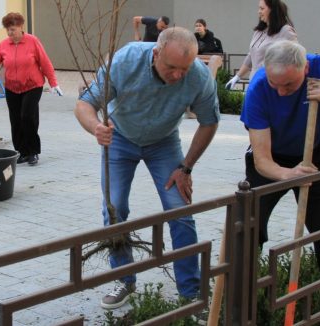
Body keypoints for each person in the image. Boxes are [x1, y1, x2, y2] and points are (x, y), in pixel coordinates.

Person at [75, 27, 220, 309]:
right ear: (156, 54)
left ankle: (191, 293)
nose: (178, 75)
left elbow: (209, 121)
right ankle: (124, 279)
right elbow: (84, 104)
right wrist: (96, 128)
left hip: (164, 143)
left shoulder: (199, 76)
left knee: (180, 211)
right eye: (171, 67)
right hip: (119, 139)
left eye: (184, 69)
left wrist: (186, 167)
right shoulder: (125, 61)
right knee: (114, 208)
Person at [240, 40, 320, 303]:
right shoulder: (259, 88)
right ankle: (247, 302)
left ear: (304, 70)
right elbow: (262, 160)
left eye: (289, 85)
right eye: (275, 84)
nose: (281, 92)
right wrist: (288, 174)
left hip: (317, 153)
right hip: (272, 159)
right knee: (249, 227)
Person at [0, 12, 62, 166]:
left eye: (13, 29)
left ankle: (33, 151)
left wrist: (53, 83)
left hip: (32, 86)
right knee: (15, 120)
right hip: (12, 87)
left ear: (21, 27)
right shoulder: (3, 45)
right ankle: (21, 152)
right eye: (8, 30)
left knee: (28, 117)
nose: (10, 33)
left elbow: (45, 62)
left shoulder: (32, 41)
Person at [225, 0, 298, 90]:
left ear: (273, 10)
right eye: (259, 8)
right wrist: (237, 77)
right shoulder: (259, 31)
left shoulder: (285, 31)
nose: (259, 11)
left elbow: (295, 59)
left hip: (272, 87)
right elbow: (251, 56)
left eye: (262, 8)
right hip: (254, 83)